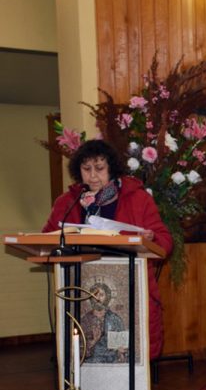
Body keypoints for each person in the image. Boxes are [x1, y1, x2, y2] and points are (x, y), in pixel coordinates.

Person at [43, 139, 173, 359]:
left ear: (111, 168)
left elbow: (165, 241)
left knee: (122, 354)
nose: (93, 176)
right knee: (89, 354)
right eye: (86, 169)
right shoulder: (68, 202)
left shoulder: (138, 198)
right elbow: (47, 237)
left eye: (99, 168)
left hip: (127, 287)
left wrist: (151, 238)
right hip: (81, 288)